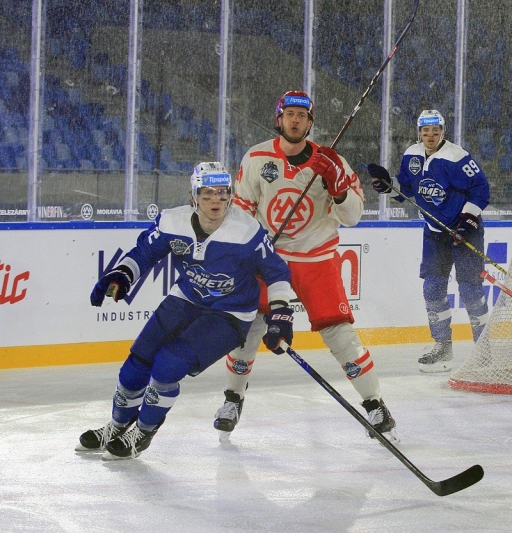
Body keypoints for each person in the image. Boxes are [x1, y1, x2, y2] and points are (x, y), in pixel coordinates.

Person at [76, 162, 293, 460]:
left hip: (230, 314)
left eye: (221, 193)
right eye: (207, 193)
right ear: (193, 196)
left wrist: (281, 314)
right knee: (134, 366)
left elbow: (277, 273)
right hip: (185, 299)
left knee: (167, 366)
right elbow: (144, 253)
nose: (215, 200)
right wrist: (121, 276)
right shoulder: (172, 222)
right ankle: (117, 424)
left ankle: (144, 430)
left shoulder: (246, 231)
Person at [214, 91, 397, 441]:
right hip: (269, 258)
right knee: (249, 330)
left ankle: (376, 405)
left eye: (302, 115)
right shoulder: (256, 158)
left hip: (317, 259)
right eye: (289, 114)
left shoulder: (334, 161)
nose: (295, 120)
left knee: (340, 335)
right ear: (278, 118)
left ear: (311, 123)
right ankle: (233, 399)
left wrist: (338, 187)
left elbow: (353, 216)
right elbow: (240, 213)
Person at [366, 109, 491, 373]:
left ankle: (484, 349)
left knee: (470, 290)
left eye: (435, 131)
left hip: (463, 230)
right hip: (434, 231)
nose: (430, 136)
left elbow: (481, 189)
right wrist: (389, 185)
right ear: (419, 133)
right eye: (426, 131)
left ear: (443, 132)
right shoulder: (412, 154)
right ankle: (442, 346)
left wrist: (467, 221)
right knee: (433, 289)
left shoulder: (457, 157)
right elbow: (407, 189)